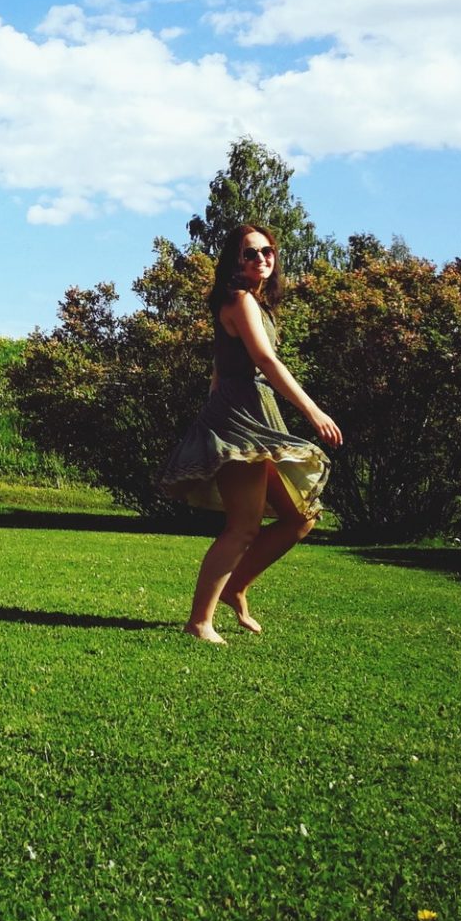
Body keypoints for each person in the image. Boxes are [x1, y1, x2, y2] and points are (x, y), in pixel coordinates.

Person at [158, 223, 343, 643]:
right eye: (250, 253)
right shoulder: (240, 300)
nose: (261, 258)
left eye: (267, 251)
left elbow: (221, 367)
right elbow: (266, 360)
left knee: (301, 518)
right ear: (234, 263)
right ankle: (198, 622)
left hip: (257, 415)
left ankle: (236, 587)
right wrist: (314, 412)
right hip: (238, 422)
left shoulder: (256, 305)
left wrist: (216, 395)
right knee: (243, 527)